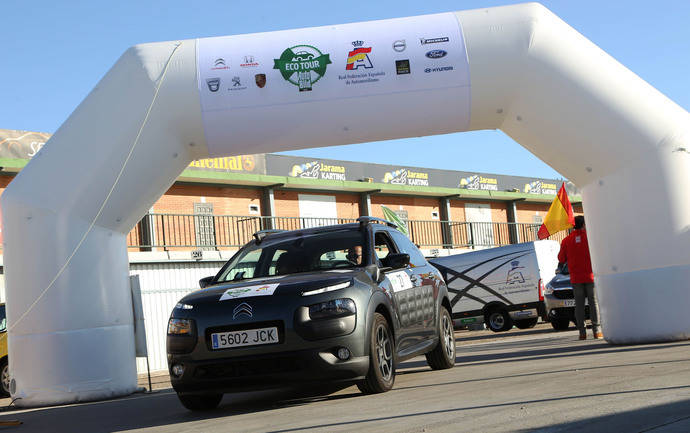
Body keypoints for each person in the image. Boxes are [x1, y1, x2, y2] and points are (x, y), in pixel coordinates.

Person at [558, 215, 603, 340]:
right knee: (593, 303)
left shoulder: (566, 240)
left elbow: (561, 259)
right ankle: (597, 331)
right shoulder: (591, 238)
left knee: (579, 305)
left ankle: (582, 332)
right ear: (584, 224)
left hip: (575, 278)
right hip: (590, 276)